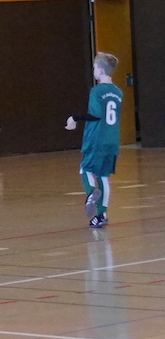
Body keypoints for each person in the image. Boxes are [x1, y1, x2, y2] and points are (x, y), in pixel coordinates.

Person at [65, 52, 123, 228]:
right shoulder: (118, 92)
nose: (94, 70)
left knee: (86, 170)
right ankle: (101, 215)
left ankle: (91, 193)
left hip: (97, 139)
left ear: (101, 70)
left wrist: (75, 117)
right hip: (112, 139)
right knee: (104, 176)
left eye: (95, 67)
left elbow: (96, 114)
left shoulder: (97, 91)